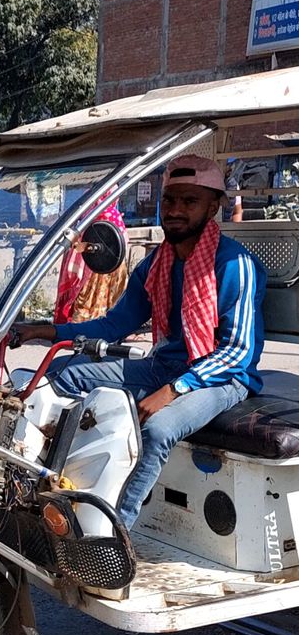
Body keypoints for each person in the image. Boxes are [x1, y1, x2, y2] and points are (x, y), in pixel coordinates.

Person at [13, 154, 267, 529]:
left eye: (189, 201)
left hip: (221, 378)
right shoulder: (157, 265)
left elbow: (238, 352)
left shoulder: (234, 265)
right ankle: (45, 492)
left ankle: (114, 533)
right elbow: (114, 325)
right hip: (164, 365)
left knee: (158, 429)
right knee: (61, 374)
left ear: (213, 207)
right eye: (170, 200)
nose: (176, 210)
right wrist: (44, 331)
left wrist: (174, 390)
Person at [54, 196, 128, 323]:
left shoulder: (90, 213)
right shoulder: (100, 214)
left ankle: (92, 323)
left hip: (99, 260)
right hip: (97, 260)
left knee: (95, 294)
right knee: (95, 295)